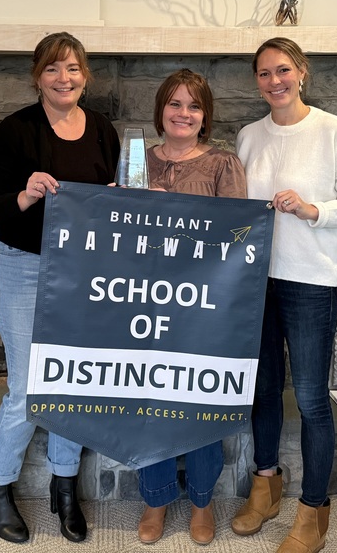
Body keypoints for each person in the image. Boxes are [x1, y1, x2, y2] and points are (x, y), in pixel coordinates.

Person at [0, 32, 120, 544]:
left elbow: (106, 204)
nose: (65, 79)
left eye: (74, 69)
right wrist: (24, 195)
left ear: (86, 76)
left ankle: (65, 486)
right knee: (28, 388)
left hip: (82, 272)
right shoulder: (16, 132)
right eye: (54, 69)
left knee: (73, 382)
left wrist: (115, 201)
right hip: (23, 268)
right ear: (38, 76)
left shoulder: (103, 130)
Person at [233, 38, 337, 553]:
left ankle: (314, 510)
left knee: (312, 399)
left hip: (312, 281)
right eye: (265, 73)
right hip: (255, 282)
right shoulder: (249, 137)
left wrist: (312, 210)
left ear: (302, 72)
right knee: (262, 389)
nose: (275, 81)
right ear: (257, 81)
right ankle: (265, 483)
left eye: (283, 70)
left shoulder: (333, 131)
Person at [135, 69, 247, 546]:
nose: (184, 114)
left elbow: (239, 237)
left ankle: (203, 499)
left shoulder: (224, 164)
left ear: (205, 116)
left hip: (204, 304)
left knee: (201, 402)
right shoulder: (138, 162)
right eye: (175, 104)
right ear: (161, 108)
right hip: (144, 300)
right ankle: (155, 497)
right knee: (149, 400)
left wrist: (177, 217)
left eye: (194, 106)